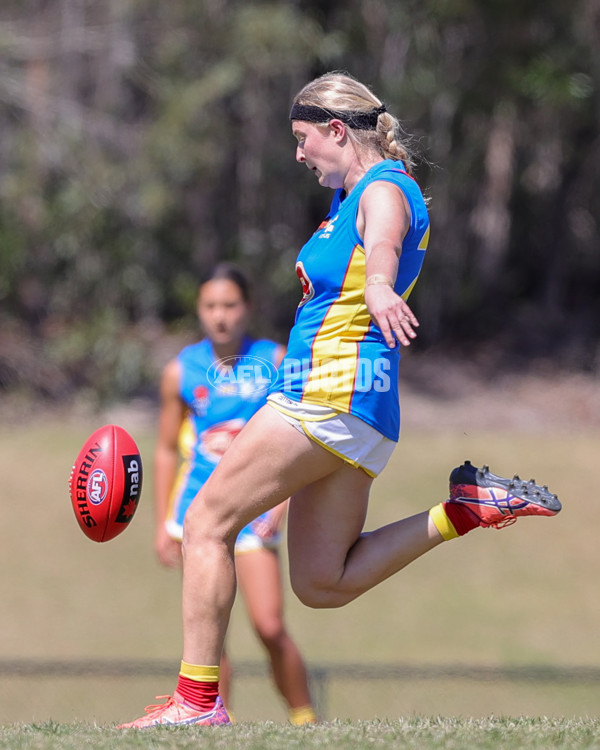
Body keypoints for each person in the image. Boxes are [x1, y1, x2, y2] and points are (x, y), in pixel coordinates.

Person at [119, 71, 561, 729]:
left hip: (323, 391)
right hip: (364, 409)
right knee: (322, 583)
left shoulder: (383, 189)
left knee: (206, 523)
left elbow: (382, 243)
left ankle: (197, 703)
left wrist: (381, 285)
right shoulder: (348, 198)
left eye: (303, 140)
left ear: (335, 130)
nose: (298, 155)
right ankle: (463, 511)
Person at [152, 262, 316, 725]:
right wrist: (165, 524)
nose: (220, 315)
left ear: (248, 308)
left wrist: (280, 504)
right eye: (210, 306)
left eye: (229, 304)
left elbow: (298, 438)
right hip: (199, 515)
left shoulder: (278, 359)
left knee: (269, 626)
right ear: (199, 310)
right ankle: (214, 726)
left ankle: (305, 720)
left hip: (255, 511)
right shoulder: (180, 370)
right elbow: (167, 450)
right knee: (210, 638)